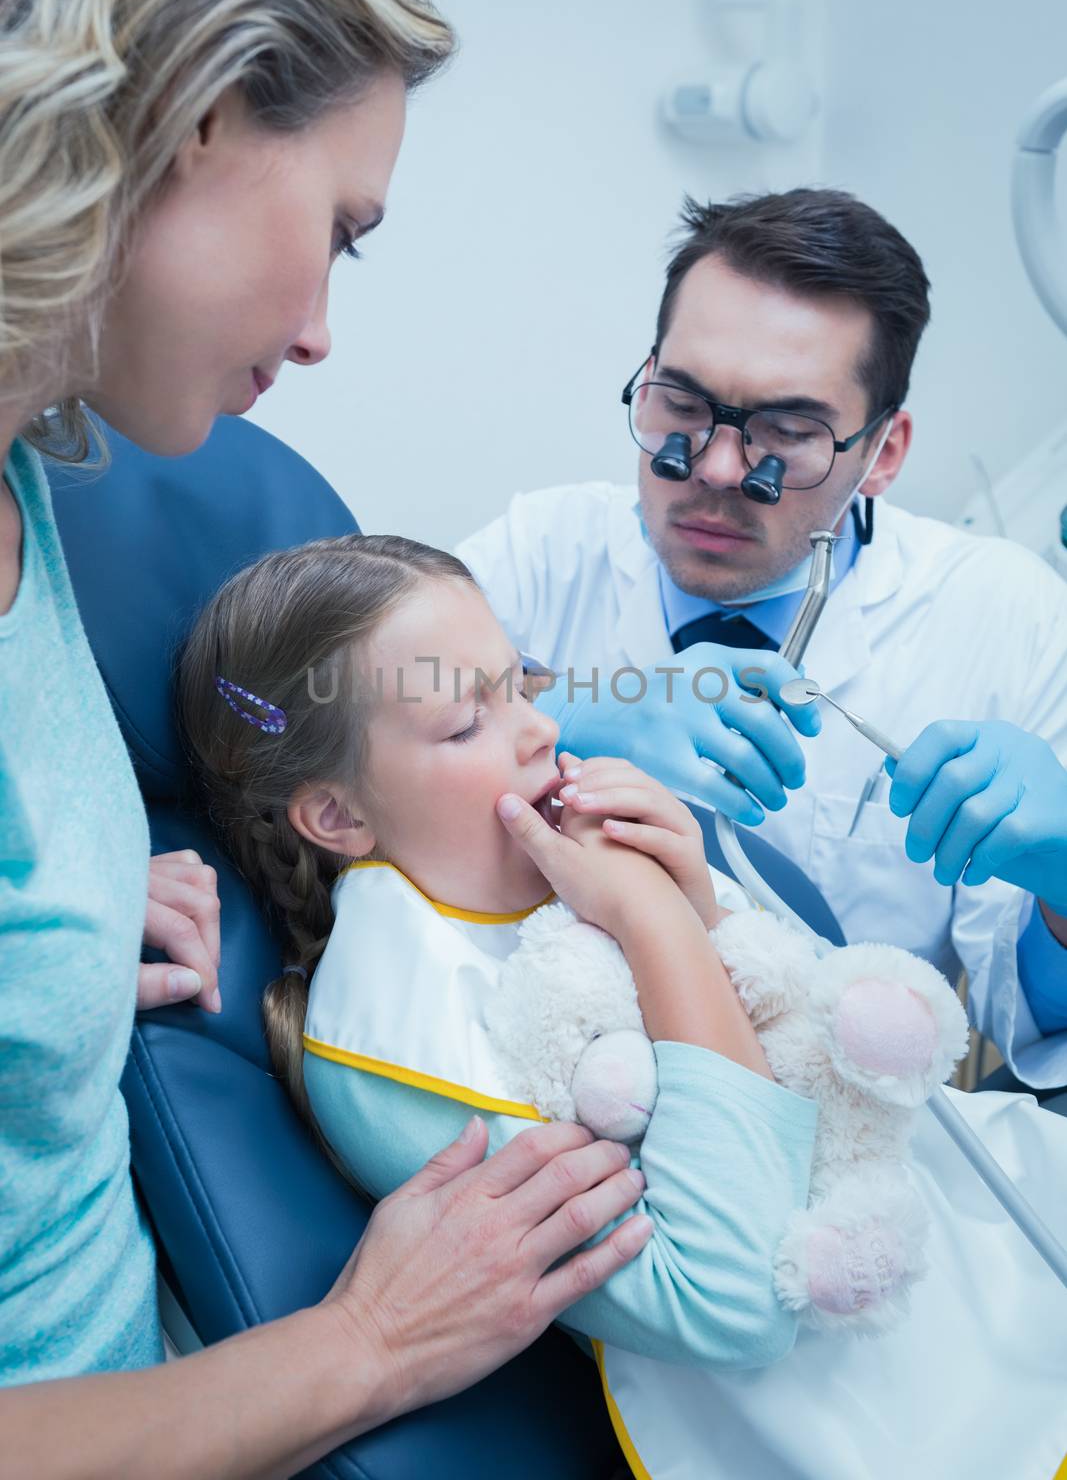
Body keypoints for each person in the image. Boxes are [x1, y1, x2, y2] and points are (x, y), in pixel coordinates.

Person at [0, 0, 650, 1472]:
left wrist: (62, 914)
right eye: (342, 232)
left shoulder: (33, 476)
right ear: (184, 118)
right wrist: (368, 1344)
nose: (321, 339)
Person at [176, 528, 1067, 1480]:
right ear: (339, 816)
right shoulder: (394, 1034)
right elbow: (734, 1291)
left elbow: (827, 1066)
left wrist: (700, 906)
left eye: (519, 682)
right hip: (910, 1420)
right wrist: (659, 927)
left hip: (1003, 1229)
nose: (541, 729)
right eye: (466, 722)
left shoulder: (561, 867)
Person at [456, 189, 1067, 1097]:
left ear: (883, 453)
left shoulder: (999, 615)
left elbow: (1036, 1023)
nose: (713, 468)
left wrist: (1061, 880)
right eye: (681, 406)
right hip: (548, 1093)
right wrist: (565, 707)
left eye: (788, 432)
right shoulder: (543, 555)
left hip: (831, 1127)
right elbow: (326, 699)